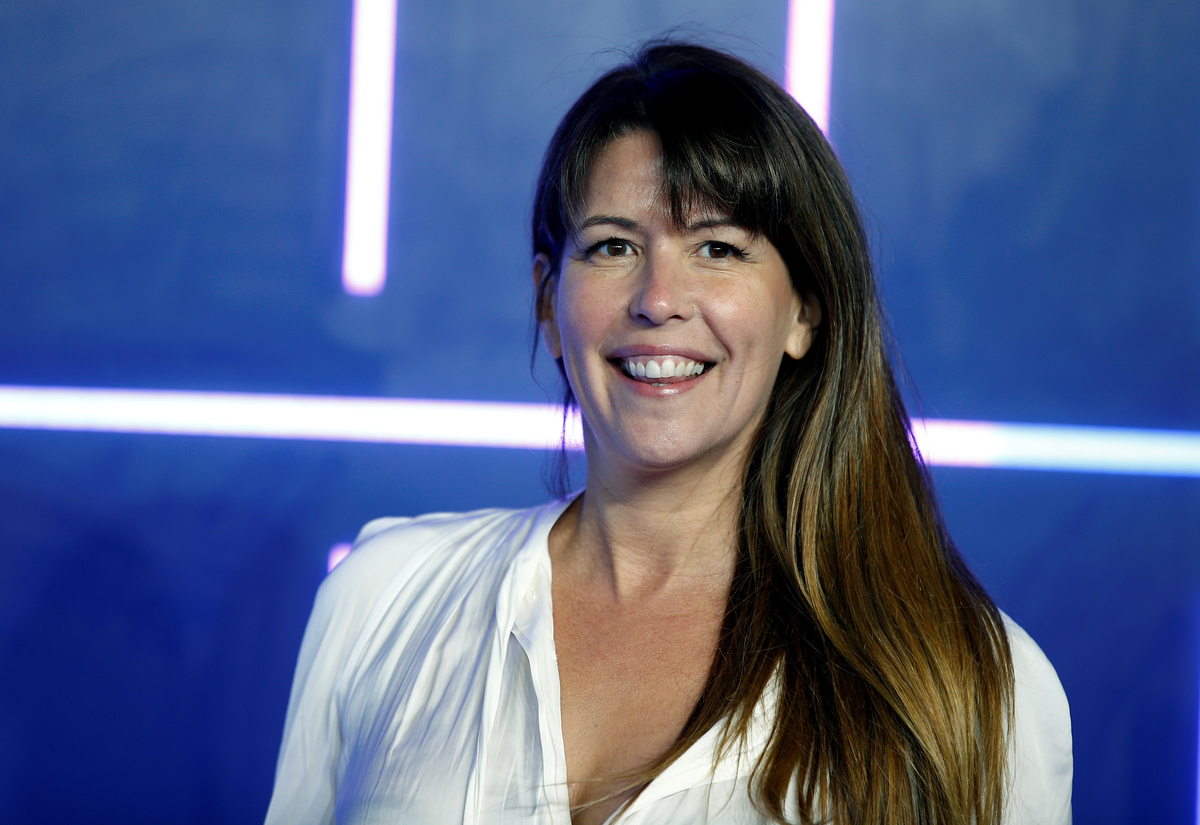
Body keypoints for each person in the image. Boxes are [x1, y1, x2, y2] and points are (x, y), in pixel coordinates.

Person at [265, 42, 1072, 825]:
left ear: (805, 311)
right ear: (547, 302)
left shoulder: (975, 688)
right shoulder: (380, 599)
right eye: (613, 246)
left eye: (718, 248)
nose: (657, 298)